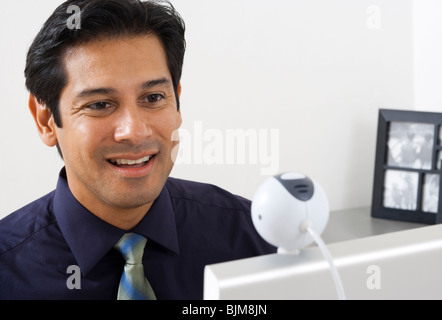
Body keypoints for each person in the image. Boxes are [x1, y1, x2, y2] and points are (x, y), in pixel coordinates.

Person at [0, 0, 275, 300]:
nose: (134, 130)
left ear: (177, 101)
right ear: (46, 121)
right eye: (100, 104)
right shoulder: (8, 273)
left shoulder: (257, 239)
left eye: (153, 97)